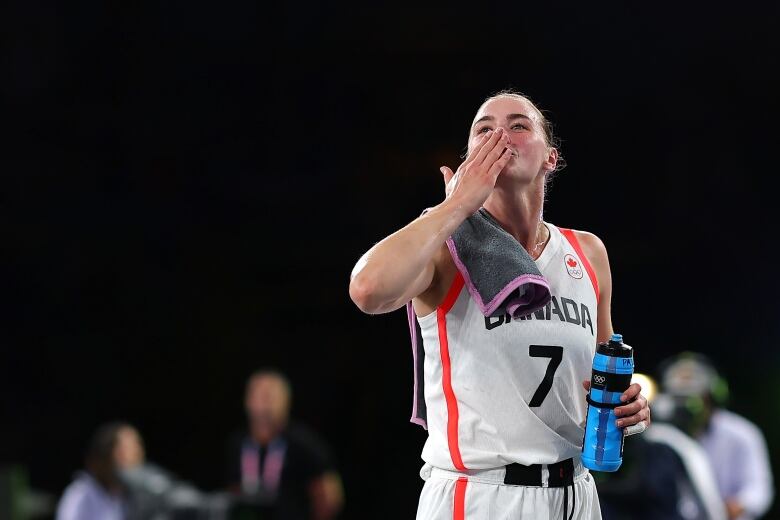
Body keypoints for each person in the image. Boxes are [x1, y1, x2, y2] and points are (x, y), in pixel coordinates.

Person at [349, 90, 650, 519]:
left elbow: (602, 377)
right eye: (484, 129)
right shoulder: (445, 245)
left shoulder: (588, 252)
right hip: (481, 494)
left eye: (518, 125)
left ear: (551, 157)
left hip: (576, 493)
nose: (500, 136)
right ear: (469, 159)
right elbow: (367, 290)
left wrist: (629, 409)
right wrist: (456, 204)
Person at [659, 353, 774, 520]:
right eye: (678, 399)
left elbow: (759, 488)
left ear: (711, 396)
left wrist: (739, 505)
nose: (685, 407)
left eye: (691, 399)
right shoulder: (660, 438)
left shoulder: (742, 433)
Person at [224, 369, 344, 520]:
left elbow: (330, 499)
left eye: (270, 397)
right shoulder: (238, 443)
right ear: (247, 400)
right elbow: (233, 493)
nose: (264, 405)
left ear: (286, 401)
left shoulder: (305, 444)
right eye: (259, 396)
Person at [55, 422, 141, 520]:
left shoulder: (129, 494)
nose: (132, 457)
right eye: (123, 451)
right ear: (103, 457)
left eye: (136, 450)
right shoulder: (80, 494)